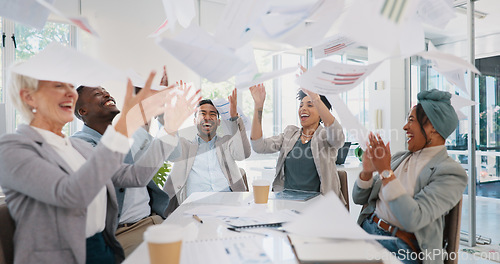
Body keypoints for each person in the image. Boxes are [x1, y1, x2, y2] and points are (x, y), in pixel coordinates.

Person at [0, 69, 199, 264]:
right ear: (29, 97)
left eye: (70, 86)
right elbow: (71, 194)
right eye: (59, 86)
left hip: (103, 247)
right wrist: (126, 126)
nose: (71, 93)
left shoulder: (75, 146)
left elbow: (136, 177)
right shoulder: (12, 147)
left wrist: (170, 128)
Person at [352, 89, 467, 264]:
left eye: (411, 120)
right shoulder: (399, 158)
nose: (405, 127)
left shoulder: (451, 172)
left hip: (402, 247)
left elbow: (414, 219)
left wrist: (385, 172)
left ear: (433, 128)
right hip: (366, 230)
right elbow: (358, 198)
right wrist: (367, 171)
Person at [71, 67, 173, 257]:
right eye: (97, 93)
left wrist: (160, 108)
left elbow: (168, 150)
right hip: (125, 233)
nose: (106, 93)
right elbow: (132, 176)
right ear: (82, 110)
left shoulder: (129, 135)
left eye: (105, 90)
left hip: (155, 220)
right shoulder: (80, 144)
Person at [249, 82, 346, 203]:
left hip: (319, 207)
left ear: (322, 112)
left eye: (310, 105)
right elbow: (258, 146)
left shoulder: (326, 137)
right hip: (287, 204)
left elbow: (338, 137)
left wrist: (316, 98)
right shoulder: (290, 134)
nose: (303, 108)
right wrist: (258, 106)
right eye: (301, 105)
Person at [163, 88, 251, 212]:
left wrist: (234, 118)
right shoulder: (184, 145)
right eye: (202, 113)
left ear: (219, 122)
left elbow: (243, 154)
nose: (207, 117)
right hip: (193, 209)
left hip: (228, 206)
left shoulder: (226, 143)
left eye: (212, 114)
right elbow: (167, 150)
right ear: (194, 121)